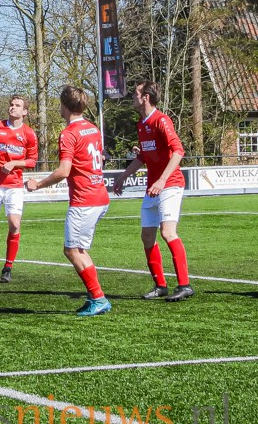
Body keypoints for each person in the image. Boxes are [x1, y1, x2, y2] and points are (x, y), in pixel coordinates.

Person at [27, 86, 111, 317]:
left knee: (71, 250)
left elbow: (64, 171)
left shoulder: (69, 133)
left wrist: (38, 184)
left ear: (63, 105)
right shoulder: (92, 128)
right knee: (78, 248)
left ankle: (98, 297)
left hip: (85, 199)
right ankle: (96, 296)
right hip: (99, 195)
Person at [113, 81, 194, 302]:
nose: (132, 97)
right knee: (147, 236)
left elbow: (178, 151)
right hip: (153, 187)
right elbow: (143, 157)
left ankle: (184, 285)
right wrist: (122, 176)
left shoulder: (161, 120)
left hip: (170, 184)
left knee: (168, 233)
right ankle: (160, 285)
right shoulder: (142, 123)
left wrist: (162, 179)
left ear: (145, 97)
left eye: (135, 94)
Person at [0, 95, 39, 283]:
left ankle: (8, 267)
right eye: (11, 104)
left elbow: (32, 161)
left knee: (15, 225)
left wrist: (15, 164)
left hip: (14, 186)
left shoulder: (28, 133)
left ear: (25, 112)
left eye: (17, 105)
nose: (13, 108)